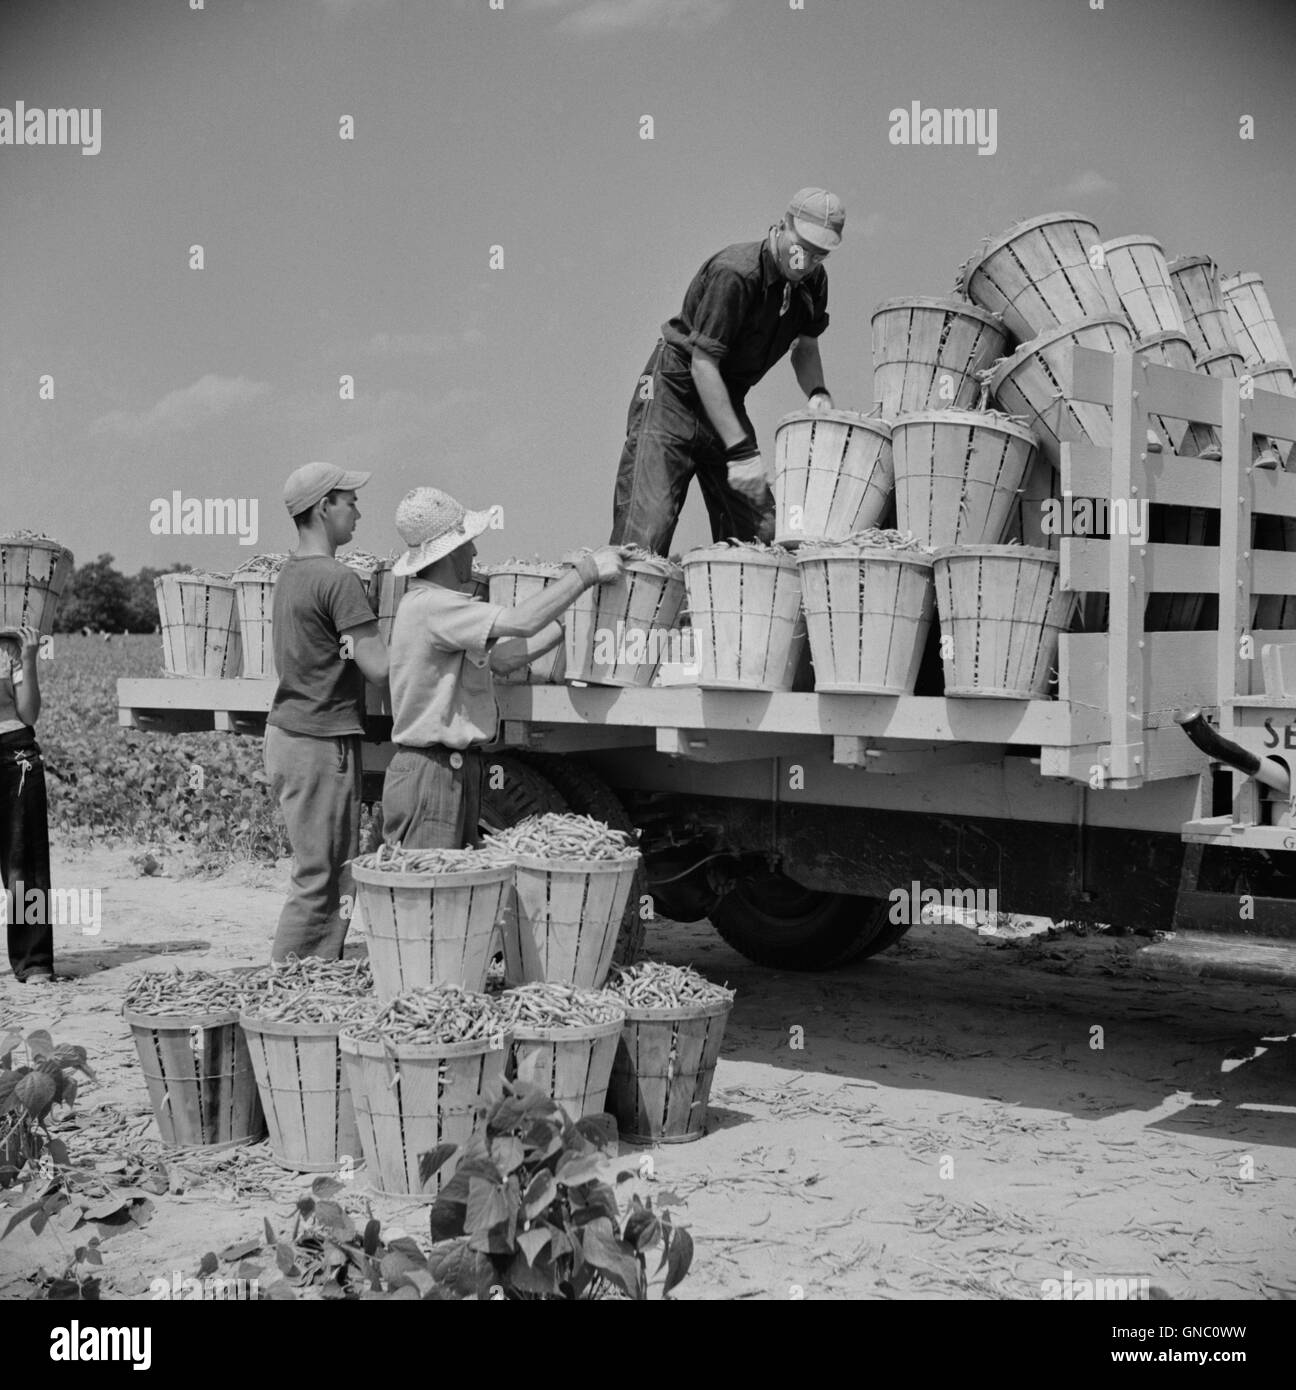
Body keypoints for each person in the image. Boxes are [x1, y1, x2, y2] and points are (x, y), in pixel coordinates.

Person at [382, 486, 626, 850]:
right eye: (469, 543)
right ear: (449, 552)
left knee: (451, 891)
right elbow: (522, 621)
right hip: (430, 773)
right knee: (428, 894)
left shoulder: (439, 610)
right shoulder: (433, 606)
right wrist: (586, 573)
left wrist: (566, 627)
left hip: (451, 770)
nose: (475, 551)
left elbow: (502, 659)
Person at [610, 187, 846, 556]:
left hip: (726, 398)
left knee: (764, 536)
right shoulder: (735, 273)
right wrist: (741, 452)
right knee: (645, 535)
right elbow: (703, 364)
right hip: (672, 391)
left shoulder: (814, 284)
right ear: (784, 226)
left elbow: (806, 346)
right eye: (803, 246)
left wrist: (818, 392)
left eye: (819, 253)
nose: (807, 260)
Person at [265, 463, 389, 962]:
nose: (357, 511)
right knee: (324, 873)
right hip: (320, 744)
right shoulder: (337, 579)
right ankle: (292, 985)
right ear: (323, 508)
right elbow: (378, 666)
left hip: (291, 736)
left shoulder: (290, 575)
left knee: (321, 868)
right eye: (349, 500)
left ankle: (306, 977)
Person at [0, 624, 55, 984]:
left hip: (13, 754)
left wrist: (30, 658)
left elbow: (29, 713)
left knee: (24, 864)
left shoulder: (10, 649)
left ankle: (33, 958)